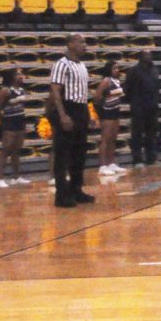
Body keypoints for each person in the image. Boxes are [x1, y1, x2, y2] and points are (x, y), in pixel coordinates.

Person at [48, 33, 94, 208]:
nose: (85, 45)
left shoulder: (82, 65)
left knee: (79, 153)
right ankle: (61, 195)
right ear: (70, 44)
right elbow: (55, 92)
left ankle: (76, 189)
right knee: (62, 155)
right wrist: (62, 115)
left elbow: (83, 93)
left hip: (81, 108)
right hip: (67, 108)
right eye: (82, 41)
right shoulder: (61, 64)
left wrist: (88, 115)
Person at [0, 68, 30, 189]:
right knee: (5, 150)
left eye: (21, 73)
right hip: (9, 122)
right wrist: (3, 121)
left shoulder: (22, 90)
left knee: (17, 150)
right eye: (18, 74)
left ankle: (16, 177)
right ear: (11, 77)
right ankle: (0, 178)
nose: (21, 76)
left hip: (20, 121)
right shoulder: (5, 91)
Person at [126, 50, 160, 166]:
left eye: (150, 54)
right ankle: (137, 159)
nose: (149, 56)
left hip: (152, 106)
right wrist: (134, 103)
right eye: (146, 55)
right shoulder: (133, 71)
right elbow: (128, 89)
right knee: (137, 134)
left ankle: (151, 157)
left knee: (151, 134)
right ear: (140, 57)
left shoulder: (154, 70)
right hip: (138, 107)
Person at [94, 60, 126, 178]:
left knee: (113, 138)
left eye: (118, 68)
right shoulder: (106, 81)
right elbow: (97, 96)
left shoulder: (117, 81)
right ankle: (102, 166)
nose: (117, 70)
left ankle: (111, 163)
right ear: (109, 70)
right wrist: (101, 110)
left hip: (115, 111)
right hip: (107, 113)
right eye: (114, 68)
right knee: (105, 139)